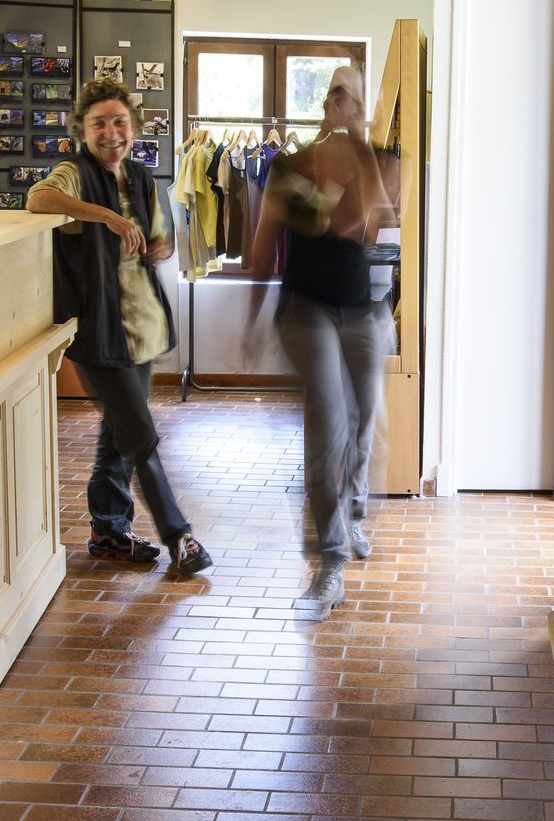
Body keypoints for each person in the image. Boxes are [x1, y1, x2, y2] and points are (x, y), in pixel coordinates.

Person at [28, 77, 212, 576]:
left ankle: (108, 532)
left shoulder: (142, 177)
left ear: (133, 127)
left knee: (119, 433)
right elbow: (38, 201)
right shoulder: (73, 172)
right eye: (99, 124)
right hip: (97, 332)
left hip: (142, 329)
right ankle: (180, 537)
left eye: (119, 122)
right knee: (140, 435)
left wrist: (160, 246)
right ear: (82, 131)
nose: (111, 133)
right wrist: (106, 217)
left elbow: (159, 241)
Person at [245, 65, 392, 612]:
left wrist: (360, 155)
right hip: (305, 310)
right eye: (335, 94)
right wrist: (249, 317)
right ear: (325, 104)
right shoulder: (289, 164)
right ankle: (329, 563)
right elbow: (264, 243)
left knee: (364, 425)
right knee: (326, 429)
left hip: (358, 309)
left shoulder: (366, 159)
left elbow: (368, 223)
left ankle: (353, 515)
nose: (342, 103)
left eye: (351, 96)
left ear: (358, 108)